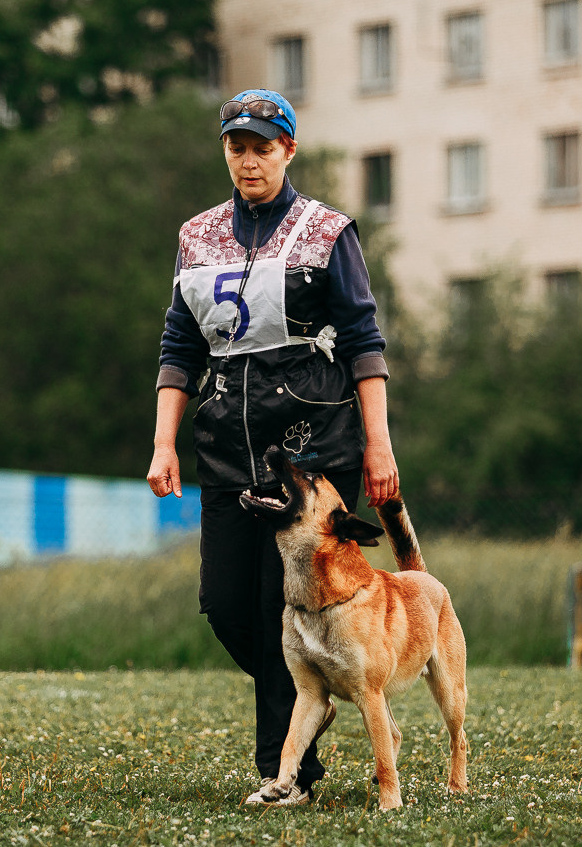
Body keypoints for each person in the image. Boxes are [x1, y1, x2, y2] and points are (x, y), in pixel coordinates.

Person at [146, 88, 399, 806]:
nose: (249, 159)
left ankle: (286, 773)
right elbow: (179, 345)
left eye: (263, 146)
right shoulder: (196, 236)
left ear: (289, 150)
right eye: (237, 146)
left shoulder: (327, 230)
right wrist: (164, 442)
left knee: (274, 607)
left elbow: (363, 341)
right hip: (227, 447)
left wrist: (378, 446)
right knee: (227, 604)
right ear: (225, 151)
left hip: (312, 453)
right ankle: (314, 696)